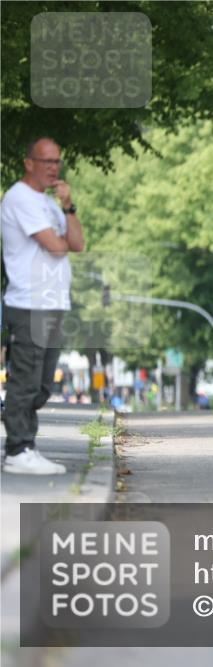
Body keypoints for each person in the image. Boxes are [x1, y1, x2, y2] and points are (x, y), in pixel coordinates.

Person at [2, 137, 85, 475]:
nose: (54, 168)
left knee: (43, 384)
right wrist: (60, 239)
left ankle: (26, 445)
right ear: (29, 163)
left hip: (53, 303)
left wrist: (68, 206)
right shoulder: (19, 197)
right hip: (29, 302)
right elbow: (55, 247)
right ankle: (18, 449)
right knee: (26, 379)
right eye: (47, 161)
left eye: (57, 161)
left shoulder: (50, 204)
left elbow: (76, 243)